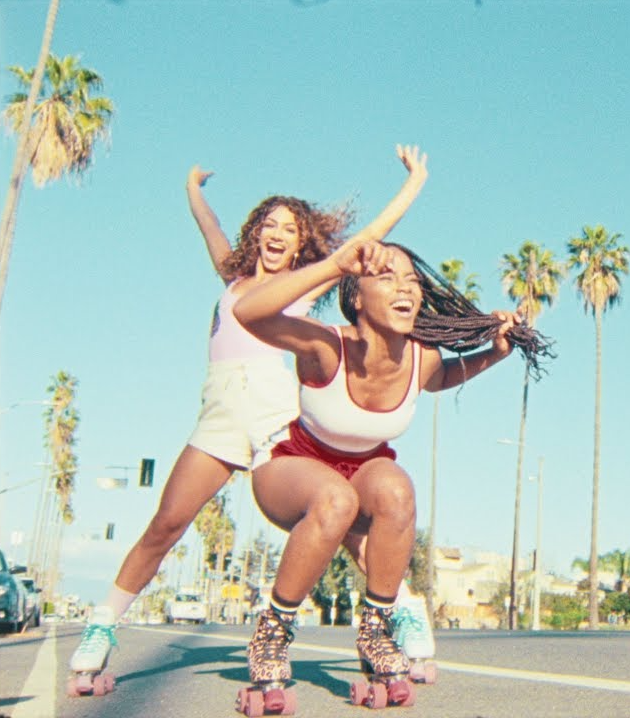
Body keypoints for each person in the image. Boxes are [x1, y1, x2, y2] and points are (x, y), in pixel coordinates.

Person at [66, 146, 429, 695]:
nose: (277, 233)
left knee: (343, 518)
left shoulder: (307, 281)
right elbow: (209, 229)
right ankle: (101, 624)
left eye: (289, 227)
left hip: (274, 411)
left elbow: (367, 241)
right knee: (167, 523)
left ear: (303, 241)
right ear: (256, 232)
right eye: (269, 224)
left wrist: (413, 184)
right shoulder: (230, 276)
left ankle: (399, 607)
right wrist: (193, 190)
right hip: (219, 411)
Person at [230, 238, 548, 710]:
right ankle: (272, 635)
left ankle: (376, 630)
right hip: (290, 469)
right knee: (334, 499)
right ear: (356, 296)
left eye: (413, 281)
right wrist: (334, 265)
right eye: (388, 277)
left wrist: (495, 354)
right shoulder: (324, 345)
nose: (407, 288)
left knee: (398, 490)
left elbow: (440, 379)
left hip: (360, 477)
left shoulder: (424, 358)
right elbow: (250, 314)